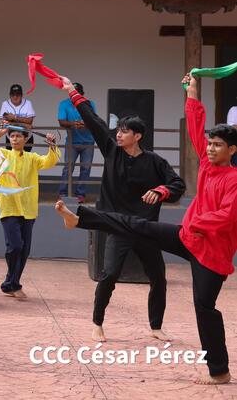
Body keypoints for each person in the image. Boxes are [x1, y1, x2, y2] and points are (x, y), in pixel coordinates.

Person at [55, 72, 237, 386]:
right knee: (133, 228)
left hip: (211, 253)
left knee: (204, 307)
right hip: (186, 236)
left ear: (232, 150)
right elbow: (195, 126)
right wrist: (192, 93)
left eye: (217, 145)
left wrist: (179, 206)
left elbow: (227, 216)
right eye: (209, 144)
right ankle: (81, 219)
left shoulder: (231, 180)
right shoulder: (205, 165)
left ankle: (218, 371)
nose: (208, 149)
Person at [51, 74, 185, 343]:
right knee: (109, 275)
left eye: (124, 131)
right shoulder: (111, 151)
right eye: (118, 130)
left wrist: (161, 191)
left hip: (146, 227)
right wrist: (72, 93)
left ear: (137, 136)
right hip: (117, 224)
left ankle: (156, 326)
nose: (118, 134)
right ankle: (97, 323)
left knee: (158, 277)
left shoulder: (155, 162)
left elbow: (177, 184)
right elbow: (94, 122)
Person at [0, 125, 59, 299]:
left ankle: (11, 283)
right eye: (12, 136)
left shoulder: (32, 158)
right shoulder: (3, 155)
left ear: (26, 139)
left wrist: (52, 146)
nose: (14, 139)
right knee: (15, 246)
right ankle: (11, 283)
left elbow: (49, 161)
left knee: (24, 249)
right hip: (9, 207)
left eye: (18, 136)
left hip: (29, 209)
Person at [57, 82, 96, 202]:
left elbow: (94, 120)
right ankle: (63, 193)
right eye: (72, 93)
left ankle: (80, 194)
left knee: (85, 168)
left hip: (88, 142)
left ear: (81, 94)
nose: (74, 95)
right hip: (72, 142)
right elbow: (61, 121)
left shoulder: (89, 103)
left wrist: (85, 123)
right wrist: (74, 124)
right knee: (68, 168)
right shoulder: (64, 104)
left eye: (76, 93)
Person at [0, 84, 35, 151]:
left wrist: (14, 117)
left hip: (26, 138)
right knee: (12, 160)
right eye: (13, 95)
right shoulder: (5, 104)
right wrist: (25, 124)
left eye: (17, 95)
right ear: (10, 95)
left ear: (22, 95)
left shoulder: (28, 103)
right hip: (11, 138)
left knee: (26, 160)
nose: (15, 97)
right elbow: (4, 122)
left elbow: (30, 121)